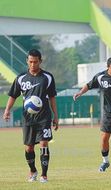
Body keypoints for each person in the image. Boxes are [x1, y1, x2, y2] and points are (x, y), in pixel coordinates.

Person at [2, 49, 59, 183]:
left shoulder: (48, 77)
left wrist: (56, 116)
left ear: (40, 61)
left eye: (36, 62)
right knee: (29, 148)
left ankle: (44, 175)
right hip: (27, 118)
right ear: (27, 61)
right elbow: (13, 96)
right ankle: (33, 170)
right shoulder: (21, 78)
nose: (33, 64)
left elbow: (52, 98)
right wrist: (7, 110)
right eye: (31, 62)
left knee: (44, 144)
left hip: (44, 117)